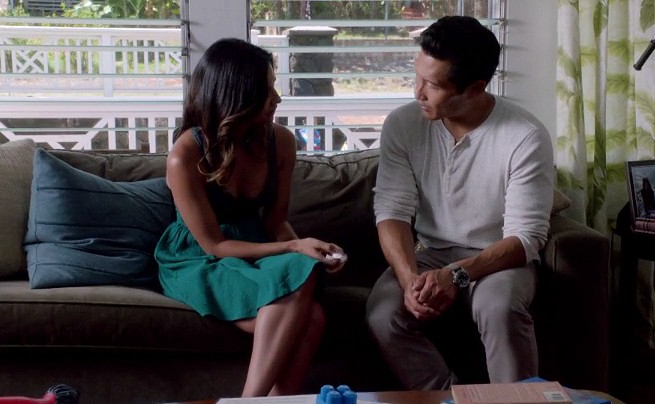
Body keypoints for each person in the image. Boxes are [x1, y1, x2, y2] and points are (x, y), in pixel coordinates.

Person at [366, 16, 554, 390]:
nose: (417, 92)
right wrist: (409, 280)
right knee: (383, 313)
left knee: (498, 308)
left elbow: (526, 238)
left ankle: (515, 402)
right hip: (430, 253)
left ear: (474, 88)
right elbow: (391, 212)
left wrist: (456, 275)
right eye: (417, 76)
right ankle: (449, 398)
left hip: (497, 258)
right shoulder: (403, 124)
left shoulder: (525, 135)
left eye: (433, 85)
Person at [154, 38, 346, 397]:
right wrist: (295, 248)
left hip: (255, 249)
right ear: (237, 95)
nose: (277, 99)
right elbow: (214, 244)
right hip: (198, 258)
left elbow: (275, 223)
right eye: (266, 90)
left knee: (308, 288)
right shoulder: (186, 154)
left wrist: (312, 250)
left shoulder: (280, 143)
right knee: (310, 312)